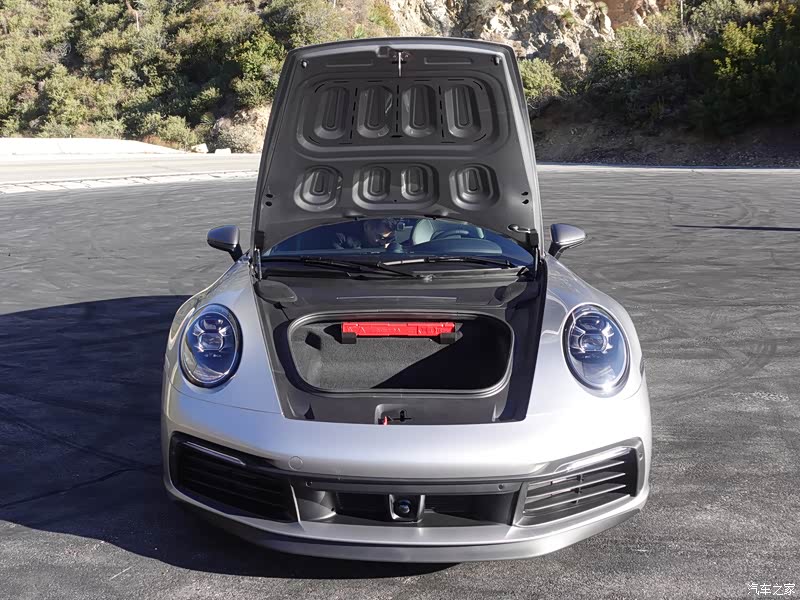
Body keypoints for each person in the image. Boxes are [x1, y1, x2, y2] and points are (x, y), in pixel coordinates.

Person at [331, 218, 396, 250]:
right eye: (380, 237)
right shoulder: (341, 238)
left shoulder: (390, 243)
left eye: (389, 239)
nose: (383, 243)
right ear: (367, 227)